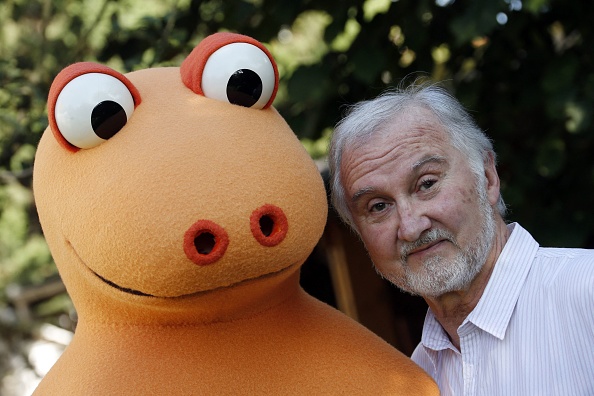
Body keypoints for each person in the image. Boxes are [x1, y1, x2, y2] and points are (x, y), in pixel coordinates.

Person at [327, 82, 594, 395]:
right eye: (379, 206)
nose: (411, 227)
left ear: (488, 177)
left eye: (426, 184)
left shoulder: (586, 293)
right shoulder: (413, 380)